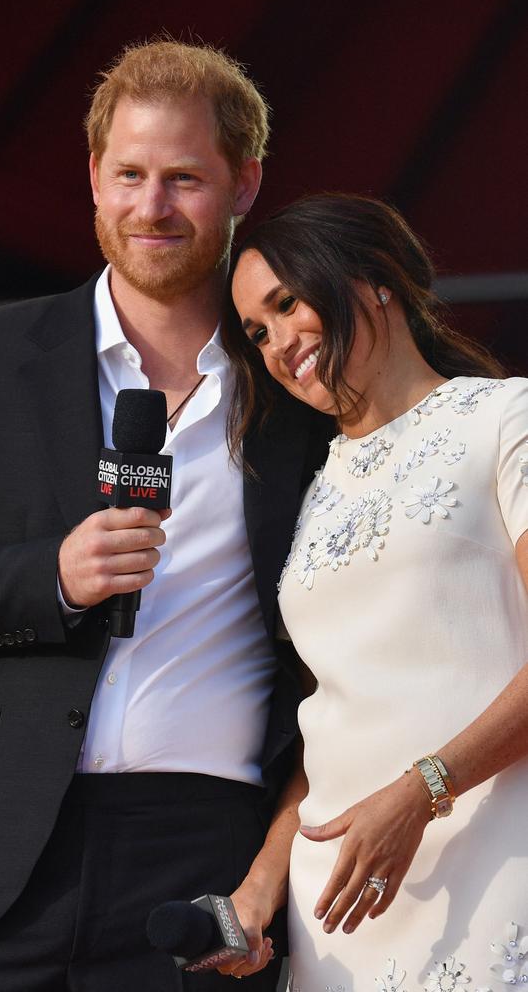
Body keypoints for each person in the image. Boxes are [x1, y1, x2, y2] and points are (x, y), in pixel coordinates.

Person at [0, 41, 333, 991]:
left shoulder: (302, 395)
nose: (151, 207)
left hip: (203, 861)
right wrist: (50, 578)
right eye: (128, 174)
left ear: (245, 183)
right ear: (93, 177)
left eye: (184, 179)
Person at [226, 193, 528, 992]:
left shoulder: (506, 419)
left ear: (374, 279)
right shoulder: (311, 489)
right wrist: (262, 881)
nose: (278, 343)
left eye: (287, 304)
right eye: (256, 332)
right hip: (336, 914)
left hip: (495, 867)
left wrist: (423, 792)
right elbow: (334, 719)